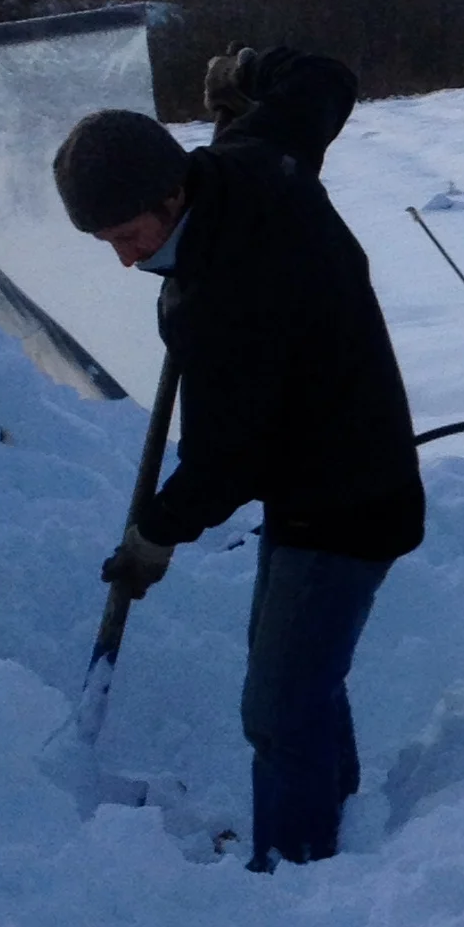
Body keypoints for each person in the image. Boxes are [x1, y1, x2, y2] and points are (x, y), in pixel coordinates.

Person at [50, 52, 422, 868]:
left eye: (127, 235)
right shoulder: (252, 157)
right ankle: (340, 830)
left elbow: (227, 458)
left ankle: (295, 869)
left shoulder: (222, 294)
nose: (123, 259)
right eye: (105, 243)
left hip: (347, 499)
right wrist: (256, 70)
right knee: (298, 676)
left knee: (280, 706)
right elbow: (328, 79)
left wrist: (156, 532)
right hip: (325, 473)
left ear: (170, 195)